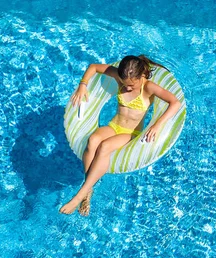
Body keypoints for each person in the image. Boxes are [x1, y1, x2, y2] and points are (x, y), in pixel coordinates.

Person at [60, 55, 181, 215]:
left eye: (131, 85)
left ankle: (80, 195)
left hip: (131, 133)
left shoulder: (148, 87)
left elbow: (176, 103)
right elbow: (94, 67)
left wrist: (157, 124)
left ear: (140, 76)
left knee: (104, 146)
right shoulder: (119, 75)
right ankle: (88, 189)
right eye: (125, 85)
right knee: (93, 140)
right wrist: (83, 85)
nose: (128, 88)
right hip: (114, 126)